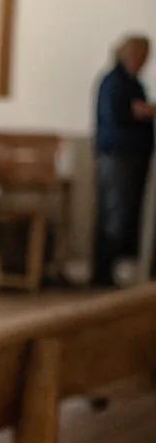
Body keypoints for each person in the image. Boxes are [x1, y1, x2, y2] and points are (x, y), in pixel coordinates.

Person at [93, 35, 156, 286]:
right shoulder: (114, 82)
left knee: (125, 215)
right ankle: (103, 274)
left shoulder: (132, 82)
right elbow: (119, 114)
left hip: (132, 156)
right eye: (142, 56)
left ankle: (115, 270)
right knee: (114, 215)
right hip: (119, 157)